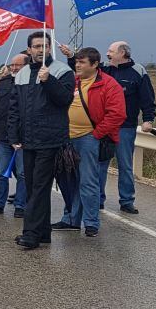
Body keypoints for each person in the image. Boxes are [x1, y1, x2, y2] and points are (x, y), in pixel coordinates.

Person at [60, 41, 156, 214]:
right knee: (99, 165)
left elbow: (147, 98)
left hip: (125, 127)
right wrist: (70, 57)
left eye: (111, 51)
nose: (107, 54)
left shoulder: (138, 72)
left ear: (123, 53)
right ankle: (98, 199)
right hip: (100, 127)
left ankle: (126, 201)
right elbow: (82, 71)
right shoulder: (104, 68)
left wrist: (148, 119)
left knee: (125, 164)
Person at [9, 31, 75, 249]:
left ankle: (30, 233)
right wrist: (13, 135)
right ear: (29, 50)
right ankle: (43, 232)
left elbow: (64, 100)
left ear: (50, 48)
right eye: (36, 46)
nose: (41, 50)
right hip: (28, 140)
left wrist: (49, 81)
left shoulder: (61, 71)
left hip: (50, 138)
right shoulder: (21, 74)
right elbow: (14, 108)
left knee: (38, 186)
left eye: (45, 46)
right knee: (33, 186)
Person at [54, 47, 125, 237]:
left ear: (95, 65)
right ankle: (70, 219)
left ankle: (91, 222)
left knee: (88, 182)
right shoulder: (73, 81)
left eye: (82, 62)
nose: (77, 65)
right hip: (67, 138)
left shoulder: (109, 85)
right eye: (76, 61)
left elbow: (117, 114)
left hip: (89, 139)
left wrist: (96, 134)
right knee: (70, 182)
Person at [0, 54, 29, 218]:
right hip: (4, 137)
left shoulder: (31, 84)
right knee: (1, 173)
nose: (13, 68)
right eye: (12, 65)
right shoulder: (4, 82)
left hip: (23, 139)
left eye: (17, 65)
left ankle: (20, 205)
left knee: (22, 174)